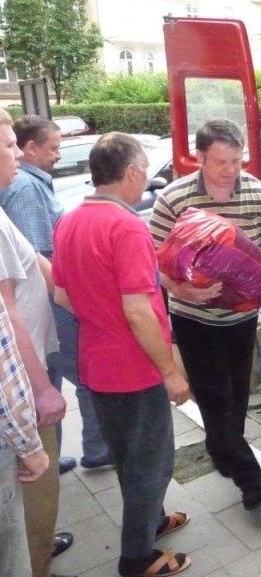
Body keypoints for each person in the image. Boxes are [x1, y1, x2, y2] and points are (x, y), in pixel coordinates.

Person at [52, 132, 192, 577]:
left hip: (97, 360)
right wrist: (170, 371)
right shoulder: (127, 225)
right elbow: (137, 310)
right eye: (145, 171)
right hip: (134, 367)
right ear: (130, 172)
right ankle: (136, 557)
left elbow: (61, 294)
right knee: (152, 462)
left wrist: (101, 317)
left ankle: (151, 519)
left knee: (129, 455)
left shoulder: (71, 220)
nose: (145, 179)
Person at [149, 118, 261, 510]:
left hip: (241, 319)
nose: (231, 170)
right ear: (198, 157)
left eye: (237, 160)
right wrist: (182, 290)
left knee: (235, 398)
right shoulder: (174, 197)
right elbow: (148, 259)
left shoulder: (258, 194)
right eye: (221, 161)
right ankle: (250, 480)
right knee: (215, 397)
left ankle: (221, 450)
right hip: (193, 318)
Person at [0, 115, 111, 482]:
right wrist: (76, 305)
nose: (59, 155)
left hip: (43, 315)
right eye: (53, 148)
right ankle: (86, 452)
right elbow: (39, 259)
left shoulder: (24, 186)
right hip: (43, 316)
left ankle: (52, 454)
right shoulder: (26, 190)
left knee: (55, 383)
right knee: (75, 381)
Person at [0, 134, 50, 577]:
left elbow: (34, 257)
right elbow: (6, 323)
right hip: (22, 387)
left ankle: (40, 552)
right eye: (10, 145)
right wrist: (44, 388)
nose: (20, 154)